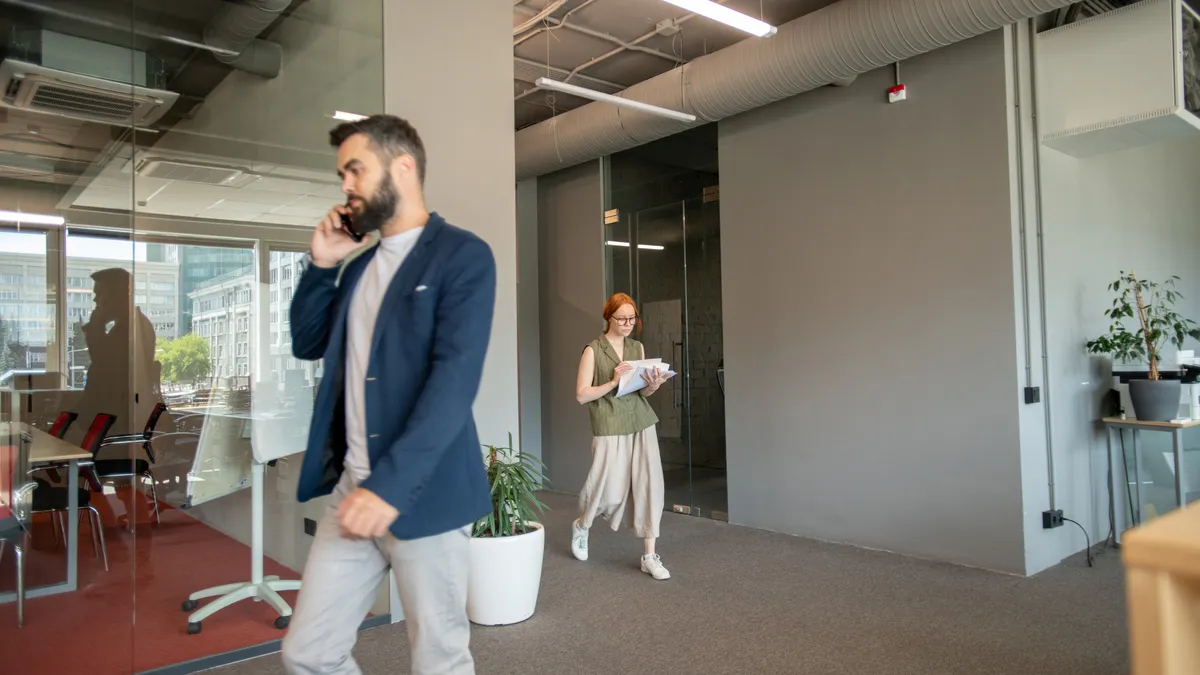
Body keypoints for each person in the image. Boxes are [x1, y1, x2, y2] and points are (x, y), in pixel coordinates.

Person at [280, 114, 495, 675]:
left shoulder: (463, 256)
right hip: (353, 487)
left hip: (425, 491)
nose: (345, 186)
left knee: (439, 659)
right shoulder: (357, 269)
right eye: (341, 175)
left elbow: (454, 381)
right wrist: (321, 265)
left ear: (403, 166)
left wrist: (392, 488)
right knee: (308, 653)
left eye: (355, 169)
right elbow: (308, 343)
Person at [571, 293, 672, 580]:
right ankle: (582, 525)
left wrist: (653, 385)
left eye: (632, 319)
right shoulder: (593, 350)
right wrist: (613, 381)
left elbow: (641, 392)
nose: (628, 324)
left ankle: (649, 556)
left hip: (641, 420)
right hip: (609, 423)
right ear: (609, 318)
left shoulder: (637, 347)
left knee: (649, 486)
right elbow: (581, 395)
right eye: (622, 319)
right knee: (609, 491)